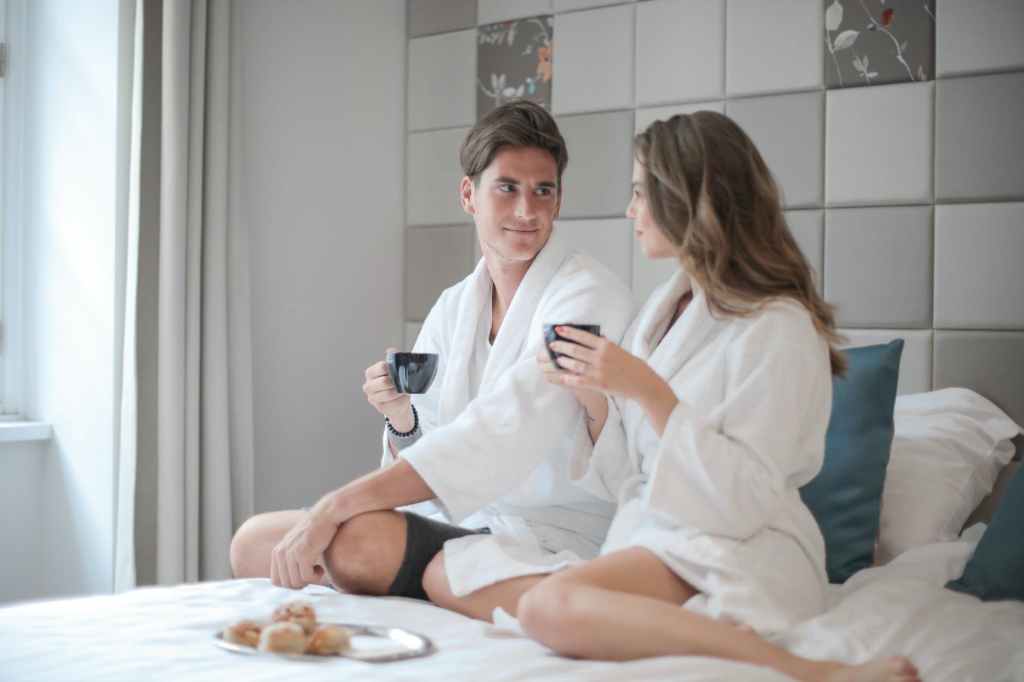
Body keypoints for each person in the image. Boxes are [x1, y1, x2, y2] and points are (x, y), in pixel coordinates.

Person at [423, 112, 920, 682]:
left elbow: (748, 496)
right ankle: (658, 628)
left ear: (688, 199)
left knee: (544, 606)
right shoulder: (661, 315)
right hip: (655, 540)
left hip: (742, 548)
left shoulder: (777, 326)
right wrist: (595, 402)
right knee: (451, 573)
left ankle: (813, 672)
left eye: (640, 193)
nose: (630, 211)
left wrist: (646, 389)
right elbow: (624, 475)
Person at [229, 100, 634, 609]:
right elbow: (435, 446)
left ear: (558, 198)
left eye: (543, 190)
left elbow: (503, 430)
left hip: (551, 532)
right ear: (469, 194)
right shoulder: (454, 307)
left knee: (355, 540)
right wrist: (402, 419)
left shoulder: (589, 296)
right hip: (459, 522)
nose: (527, 211)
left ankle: (415, 574)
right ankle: (412, 575)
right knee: (253, 544)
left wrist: (335, 508)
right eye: (507, 188)